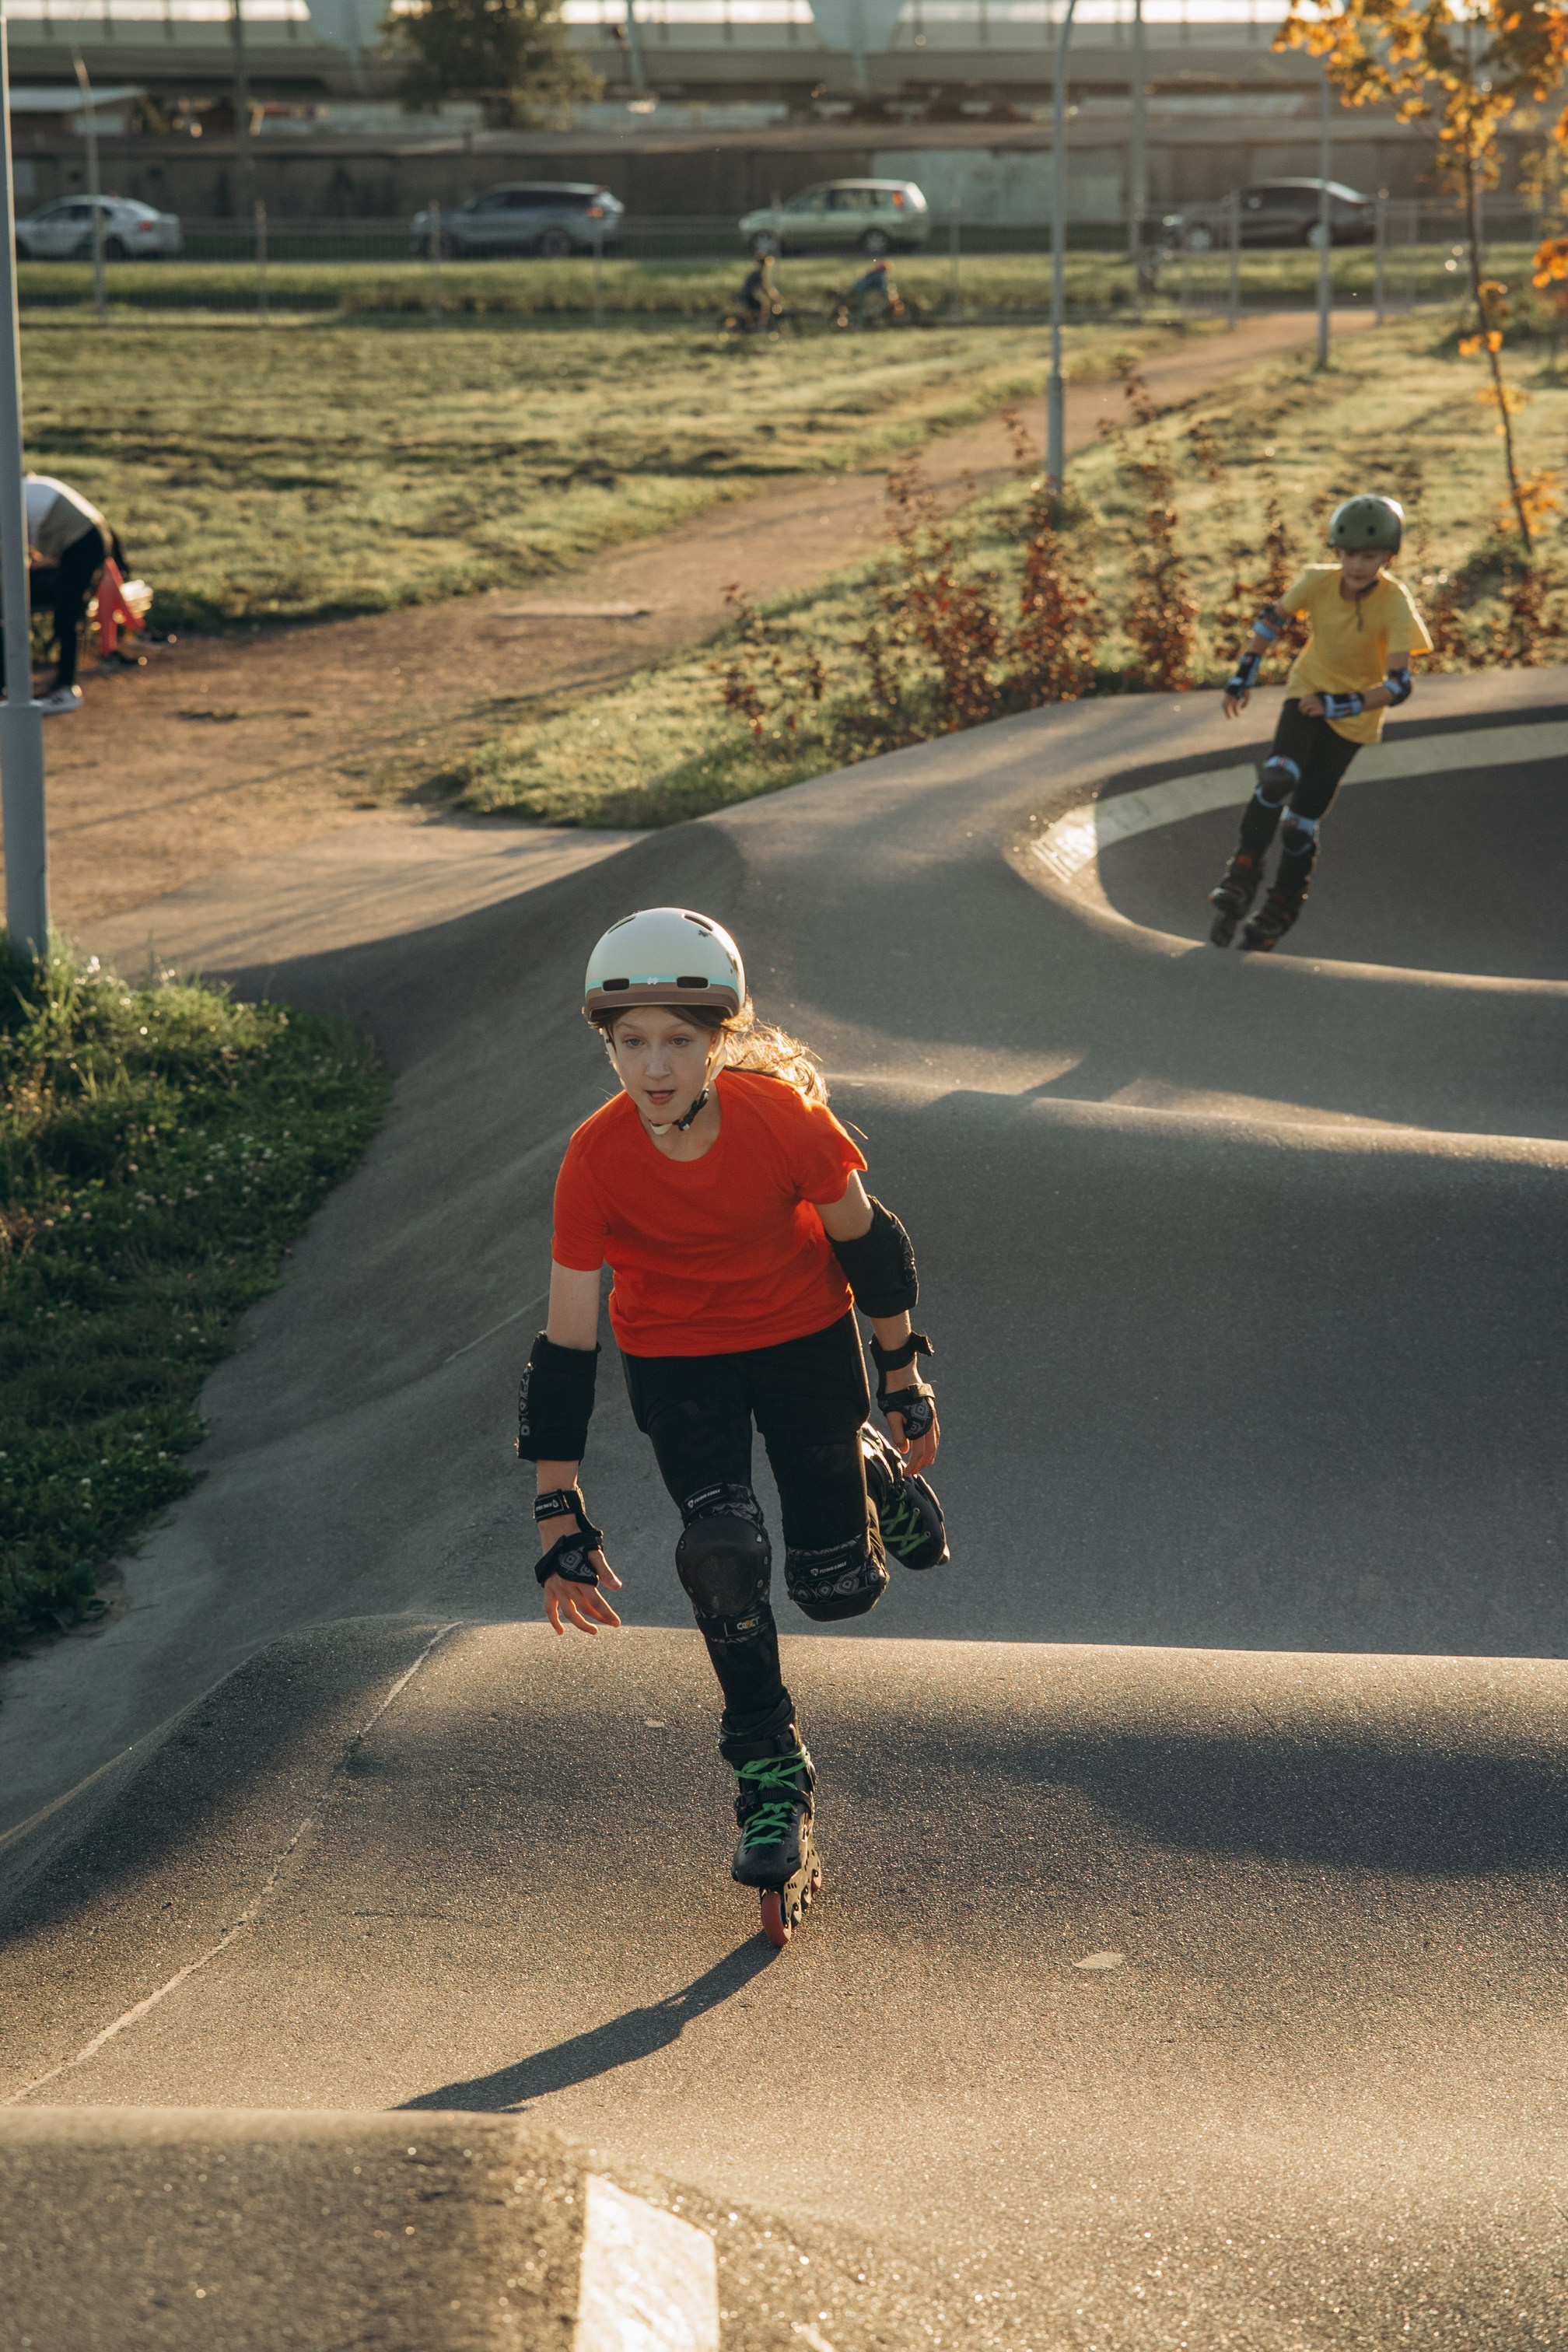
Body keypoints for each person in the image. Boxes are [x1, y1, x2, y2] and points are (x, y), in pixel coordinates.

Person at [516, 907, 947, 1945]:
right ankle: (768, 1767)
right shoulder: (595, 1159)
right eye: (631, 1044)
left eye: (677, 1040)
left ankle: (863, 1467)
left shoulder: (781, 1120)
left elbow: (871, 1250)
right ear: (607, 1046)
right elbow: (565, 1346)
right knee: (718, 1549)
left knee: (837, 1591)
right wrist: (557, 1509)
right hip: (675, 1358)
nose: (653, 1067)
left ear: (718, 1040)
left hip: (803, 1340)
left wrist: (899, 1376)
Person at [1209, 494, 1433, 951]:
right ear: (1337, 551)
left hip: (1352, 718)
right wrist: (1243, 674)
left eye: (1369, 556)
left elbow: (1398, 685)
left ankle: (1284, 902)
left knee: (1300, 824)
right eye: (1349, 554)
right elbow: (1273, 620)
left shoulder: (1395, 602)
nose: (1356, 565)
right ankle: (1244, 868)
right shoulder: (1317, 582)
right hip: (1306, 690)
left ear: (1389, 557)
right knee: (1277, 778)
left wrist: (1339, 707)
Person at [1, 473, 128, 715]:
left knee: (67, 616)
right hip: (93, 537)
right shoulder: (26, 487)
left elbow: (15, 560)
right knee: (67, 614)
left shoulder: (11, 500)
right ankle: (62, 685)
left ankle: (65, 689)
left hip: (83, 543)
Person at [736, 250, 783, 334]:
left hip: (746, 294)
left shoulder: (756, 272)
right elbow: (765, 287)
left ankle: (750, 326)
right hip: (748, 294)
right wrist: (775, 296)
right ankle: (757, 325)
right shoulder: (759, 273)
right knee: (760, 307)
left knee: (753, 310)